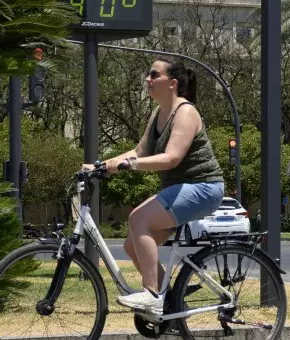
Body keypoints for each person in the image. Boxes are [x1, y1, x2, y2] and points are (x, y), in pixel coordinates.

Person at [82, 58, 224, 315]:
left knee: (139, 219)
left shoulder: (186, 112)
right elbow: (139, 151)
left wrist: (130, 165)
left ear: (172, 83)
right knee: (131, 244)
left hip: (203, 187)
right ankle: (169, 300)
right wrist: (101, 165)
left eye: (153, 75)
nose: (148, 79)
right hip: (180, 190)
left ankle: (151, 294)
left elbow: (171, 158)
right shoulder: (159, 113)